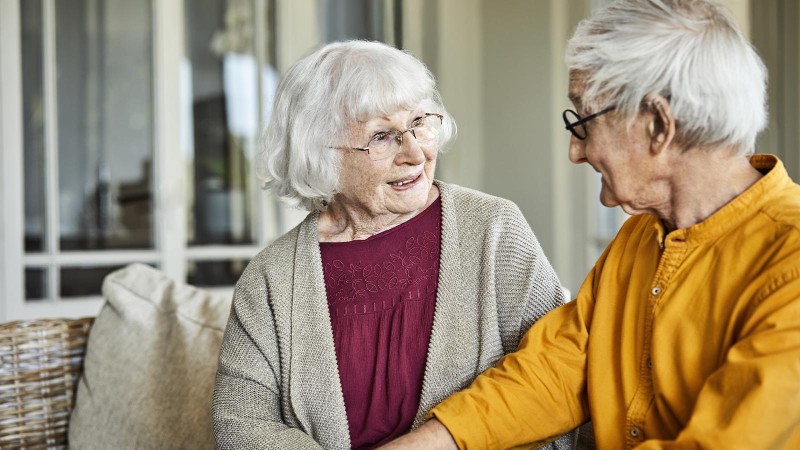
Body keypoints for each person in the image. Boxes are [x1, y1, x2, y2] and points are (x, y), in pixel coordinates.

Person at [379, 0, 800, 449]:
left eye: (584, 121)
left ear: (658, 125)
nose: (575, 152)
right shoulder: (642, 234)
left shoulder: (789, 260)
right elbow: (562, 367)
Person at [211, 40, 572, 450]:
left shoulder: (493, 230)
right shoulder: (271, 278)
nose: (416, 152)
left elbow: (556, 383)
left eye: (420, 121)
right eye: (382, 137)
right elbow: (239, 424)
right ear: (319, 154)